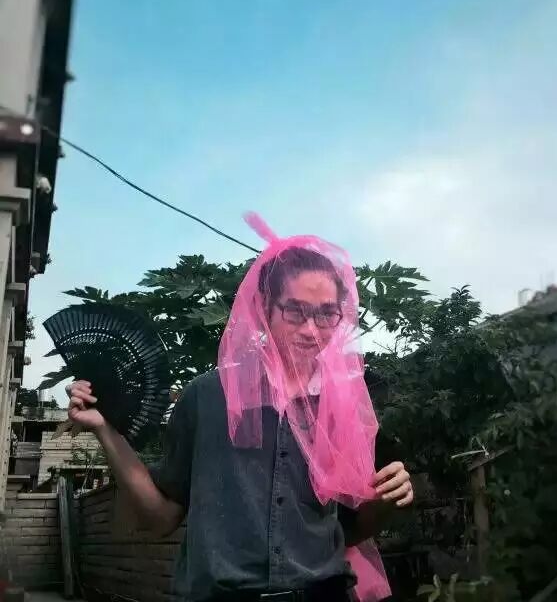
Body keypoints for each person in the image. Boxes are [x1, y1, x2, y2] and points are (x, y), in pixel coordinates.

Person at [65, 215, 413, 602]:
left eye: (326, 314)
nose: (311, 329)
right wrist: (106, 431)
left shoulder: (344, 405)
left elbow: (349, 531)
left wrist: (386, 502)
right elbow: (160, 518)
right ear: (264, 307)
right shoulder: (207, 397)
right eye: (295, 311)